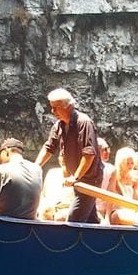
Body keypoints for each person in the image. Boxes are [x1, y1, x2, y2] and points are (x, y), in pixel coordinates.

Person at [34, 88, 103, 223]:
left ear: (69, 106)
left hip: (89, 180)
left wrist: (75, 177)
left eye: (56, 108)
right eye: (52, 108)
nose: (53, 112)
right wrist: (35, 167)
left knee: (74, 219)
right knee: (90, 218)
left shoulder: (84, 122)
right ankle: (100, 241)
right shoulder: (58, 126)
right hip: (78, 180)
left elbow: (89, 154)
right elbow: (49, 147)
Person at [105, 146, 138, 225]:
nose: (130, 166)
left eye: (132, 163)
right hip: (117, 210)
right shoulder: (115, 175)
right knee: (118, 217)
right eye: (127, 163)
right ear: (121, 163)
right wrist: (107, 217)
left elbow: (137, 198)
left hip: (131, 210)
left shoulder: (135, 176)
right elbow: (110, 196)